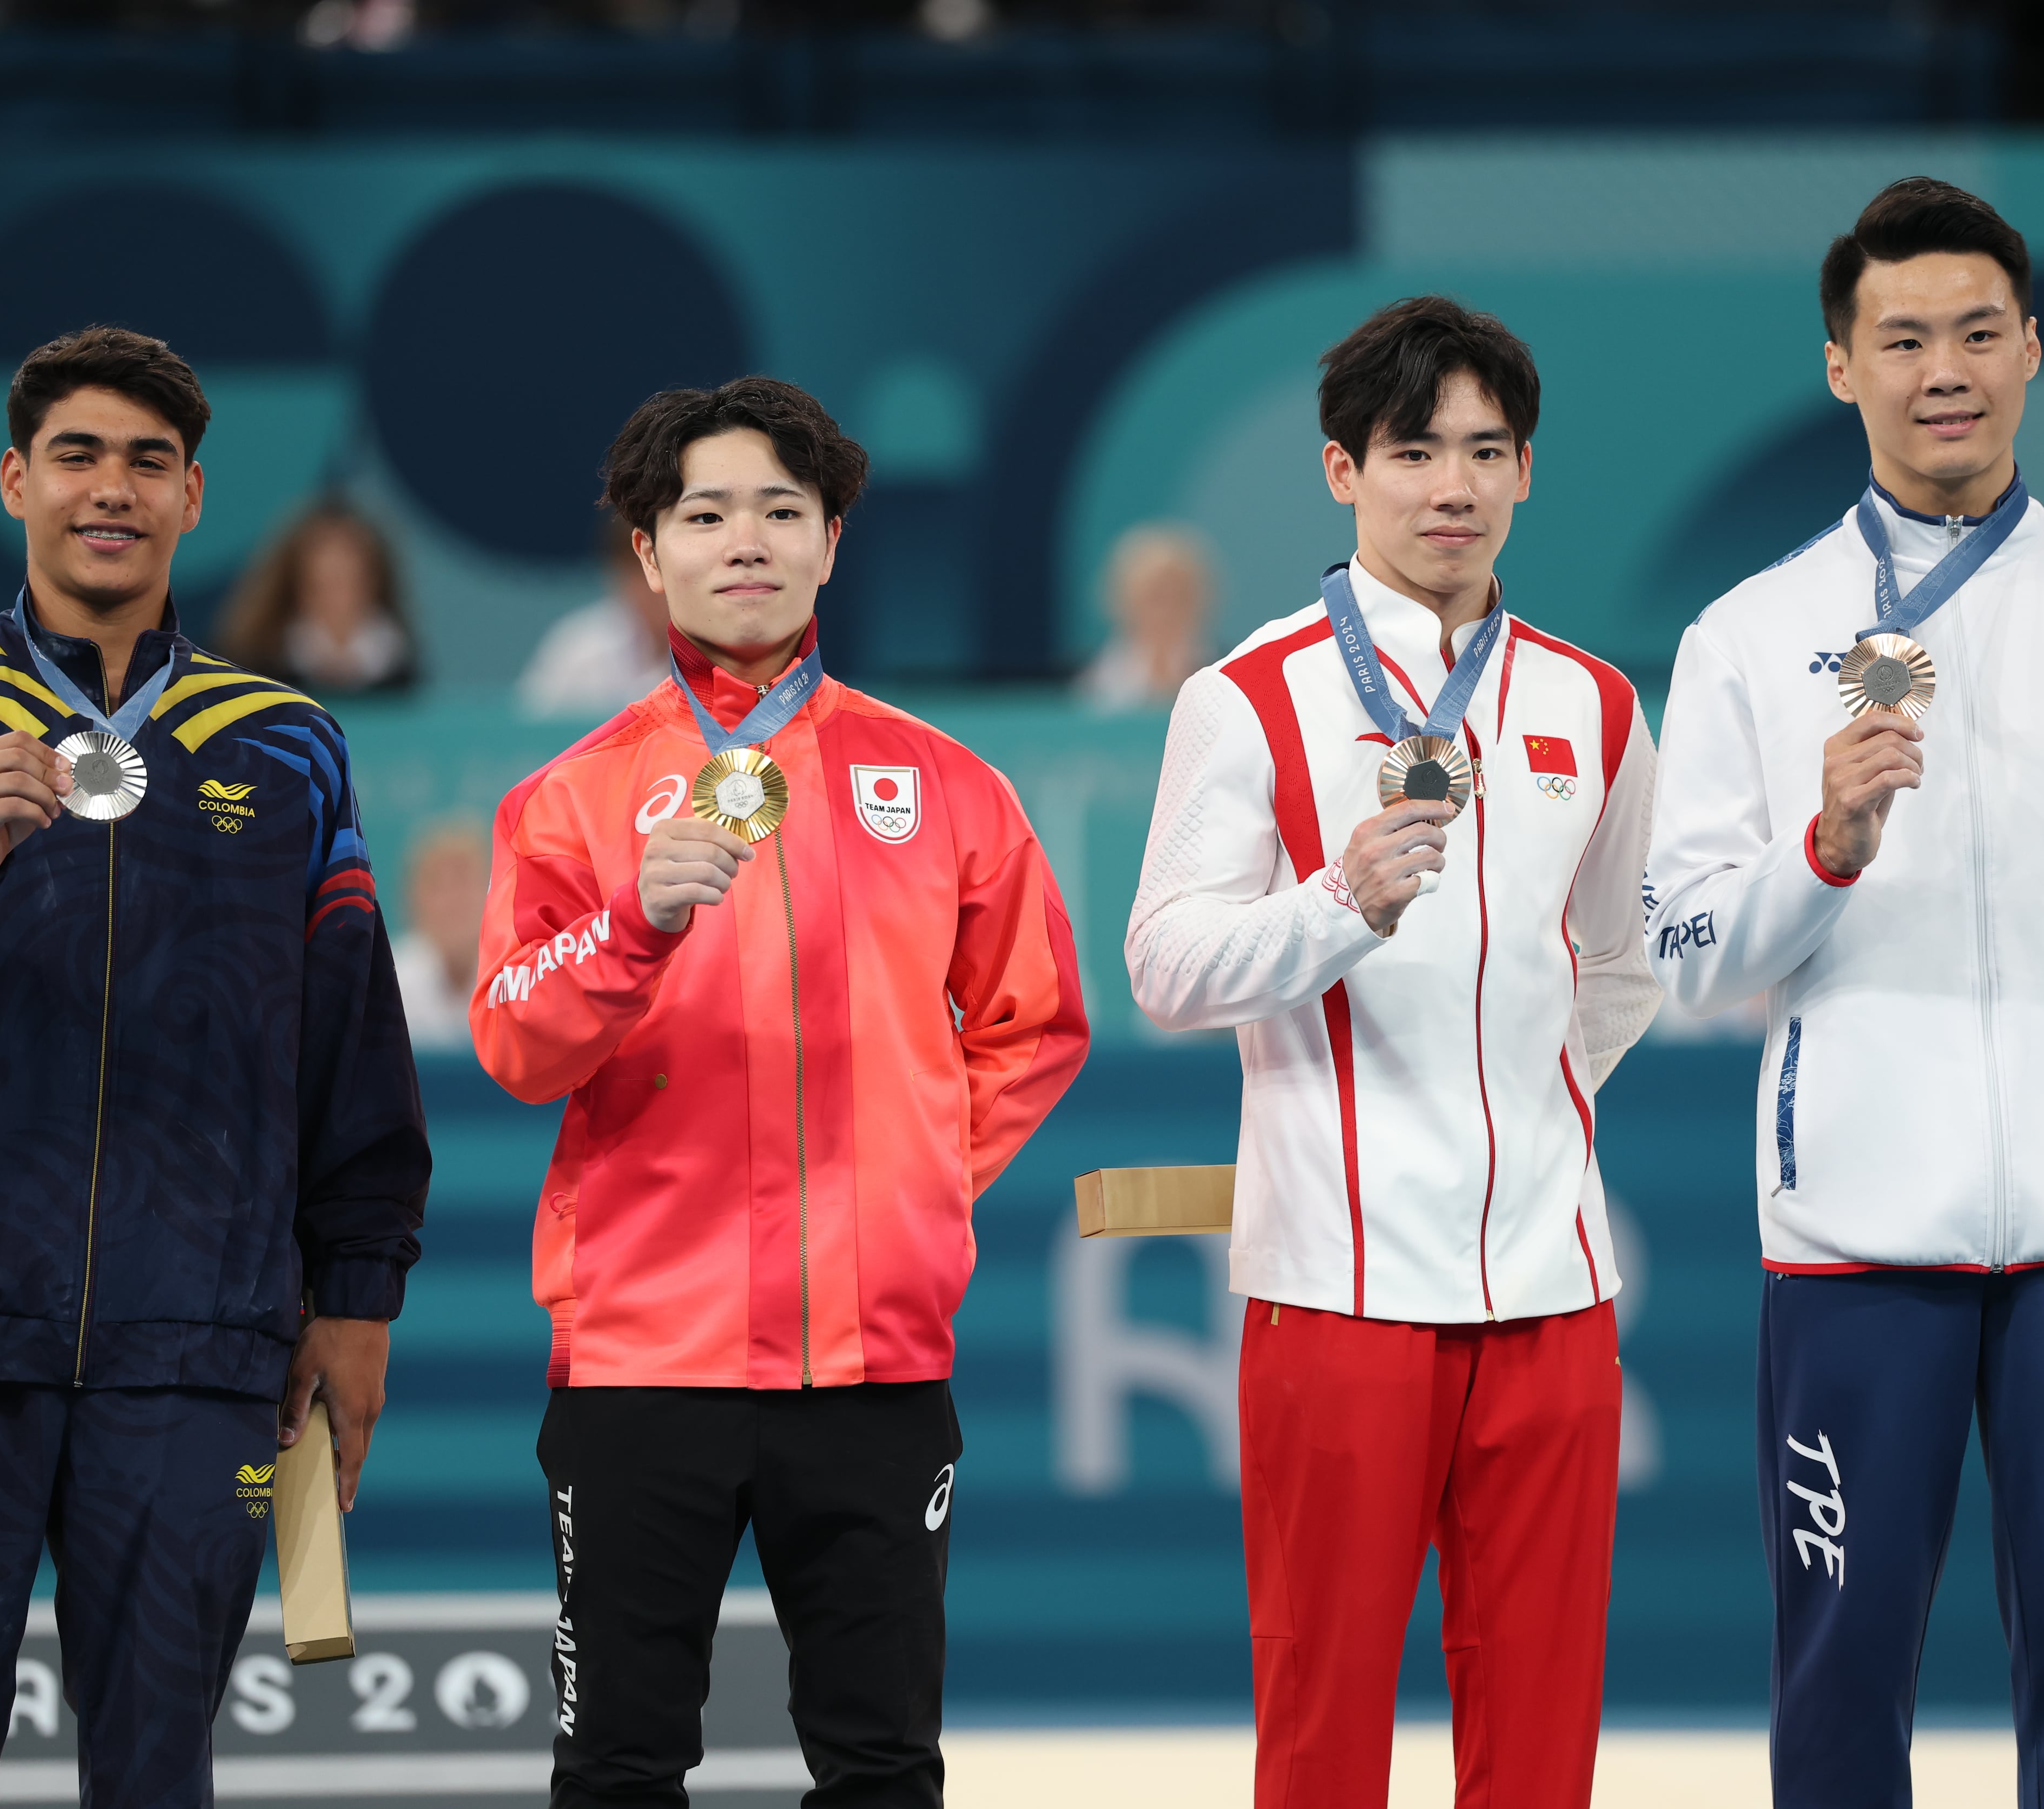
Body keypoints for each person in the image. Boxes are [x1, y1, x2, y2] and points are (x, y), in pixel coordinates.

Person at [1643, 178, 2044, 1807]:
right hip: (1853, 1250)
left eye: (1975, 333)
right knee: (1841, 1681)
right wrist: (1824, 841)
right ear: (1838, 368)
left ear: (2028, 353)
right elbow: (1684, 951)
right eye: (1901, 338)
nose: (1942, 367)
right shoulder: (1747, 636)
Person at [0, 326, 429, 1808]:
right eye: (76, 455)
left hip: (195, 1349)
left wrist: (357, 1296)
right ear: (14, 480)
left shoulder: (290, 745)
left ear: (194, 497)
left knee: (155, 1778)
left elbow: (349, 1043)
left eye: (147, 461)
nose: (109, 489)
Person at [471, 376, 1088, 1808]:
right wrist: (632, 922)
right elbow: (513, 1039)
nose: (744, 539)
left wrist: (914, 1174)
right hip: (641, 1361)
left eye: (781, 511)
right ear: (648, 553)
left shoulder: (946, 784)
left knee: (880, 1765)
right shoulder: (568, 801)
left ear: (830, 543)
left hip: (872, 1364)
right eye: (705, 514)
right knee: (620, 1762)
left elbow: (1036, 1024)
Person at [1125, 296, 1659, 1808]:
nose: (1454, 486)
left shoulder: (1596, 702)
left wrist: (1528, 1112)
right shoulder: (1247, 696)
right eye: (1414, 449)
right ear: (1340, 470)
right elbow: (1165, 962)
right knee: (1325, 1720)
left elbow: (1614, 968)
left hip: (1550, 1286)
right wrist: (1332, 906)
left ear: (1529, 474)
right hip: (1338, 1286)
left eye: (1487, 451)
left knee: (1544, 1727)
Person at [217, 497, 420, 694]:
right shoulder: (248, 672)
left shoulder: (404, 674)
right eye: (321, 585)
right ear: (294, 587)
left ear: (375, 584)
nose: (336, 602)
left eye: (349, 583)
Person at [517, 516, 674, 717]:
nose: (654, 587)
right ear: (616, 574)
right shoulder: (579, 648)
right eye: (639, 570)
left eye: (664, 568)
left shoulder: (719, 650)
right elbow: (529, 735)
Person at [1075, 522, 1215, 711]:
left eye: (1180, 596)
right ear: (1125, 601)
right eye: (1156, 597)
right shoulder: (1094, 682)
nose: (1168, 611)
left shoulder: (1223, 673)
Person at [393, 818, 488, 1051]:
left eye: (465, 882)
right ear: (414, 900)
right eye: (439, 885)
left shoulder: (522, 981)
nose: (455, 901)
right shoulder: (387, 982)